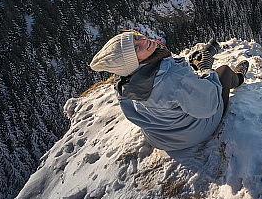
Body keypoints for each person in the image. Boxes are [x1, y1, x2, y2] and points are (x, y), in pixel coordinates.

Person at [89, 30, 249, 151]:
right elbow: (209, 106)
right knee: (224, 72)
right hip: (192, 134)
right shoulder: (173, 78)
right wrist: (206, 71)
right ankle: (239, 77)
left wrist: (188, 76)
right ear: (132, 62)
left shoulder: (122, 82)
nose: (144, 40)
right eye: (136, 48)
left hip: (158, 138)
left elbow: (151, 103)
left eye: (136, 37)